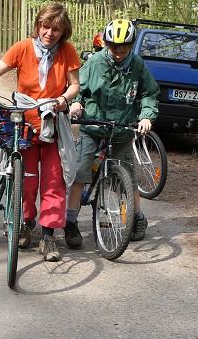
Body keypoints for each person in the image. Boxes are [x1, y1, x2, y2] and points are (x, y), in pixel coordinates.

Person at [0, 3, 80, 262]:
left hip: (52, 126)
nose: (50, 33)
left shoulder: (67, 51)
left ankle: (49, 237)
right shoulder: (22, 48)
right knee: (27, 182)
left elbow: (75, 85)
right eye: (46, 26)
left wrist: (64, 99)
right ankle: (26, 222)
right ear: (38, 25)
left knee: (54, 182)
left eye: (56, 29)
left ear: (63, 32)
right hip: (23, 127)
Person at [65, 19, 160, 247]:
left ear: (131, 46)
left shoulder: (137, 65)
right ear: (106, 44)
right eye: (114, 47)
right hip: (94, 127)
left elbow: (149, 93)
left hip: (122, 129)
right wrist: (76, 104)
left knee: (129, 175)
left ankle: (137, 217)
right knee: (80, 172)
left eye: (124, 48)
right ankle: (70, 222)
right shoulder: (95, 62)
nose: (118, 52)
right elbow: (78, 87)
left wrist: (147, 116)